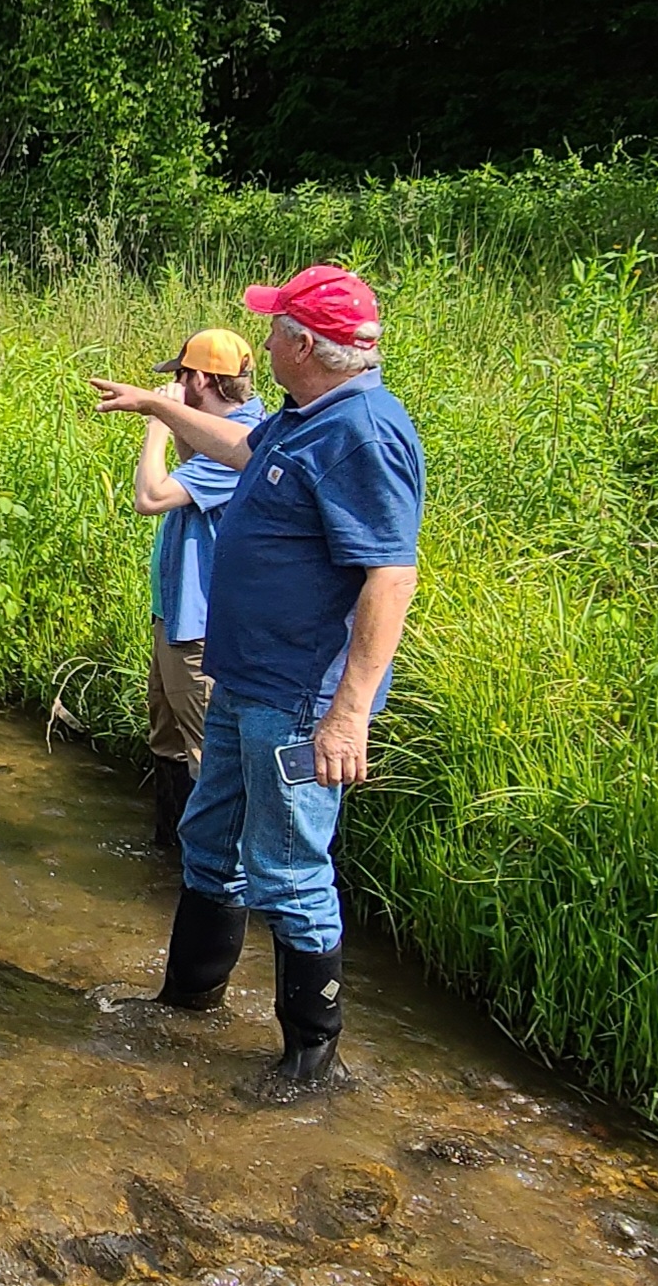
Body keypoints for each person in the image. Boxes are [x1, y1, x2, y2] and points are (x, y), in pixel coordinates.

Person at [91, 263, 424, 1099]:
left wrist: (347, 717)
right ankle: (186, 1001)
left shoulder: (364, 431)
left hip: (297, 700)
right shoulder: (302, 414)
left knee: (288, 870)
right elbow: (237, 447)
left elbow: (390, 575)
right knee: (209, 842)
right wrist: (158, 404)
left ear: (304, 347)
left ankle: (313, 1062)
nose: (263, 339)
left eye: (274, 328)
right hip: (241, 679)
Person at [132, 328, 265, 849]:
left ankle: (209, 873)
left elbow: (153, 495)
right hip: (174, 615)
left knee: (204, 751)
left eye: (181, 376)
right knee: (166, 739)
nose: (174, 384)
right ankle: (168, 856)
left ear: (202, 379)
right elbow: (195, 471)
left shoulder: (245, 443)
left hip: (201, 627)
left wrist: (158, 421)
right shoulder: (220, 436)